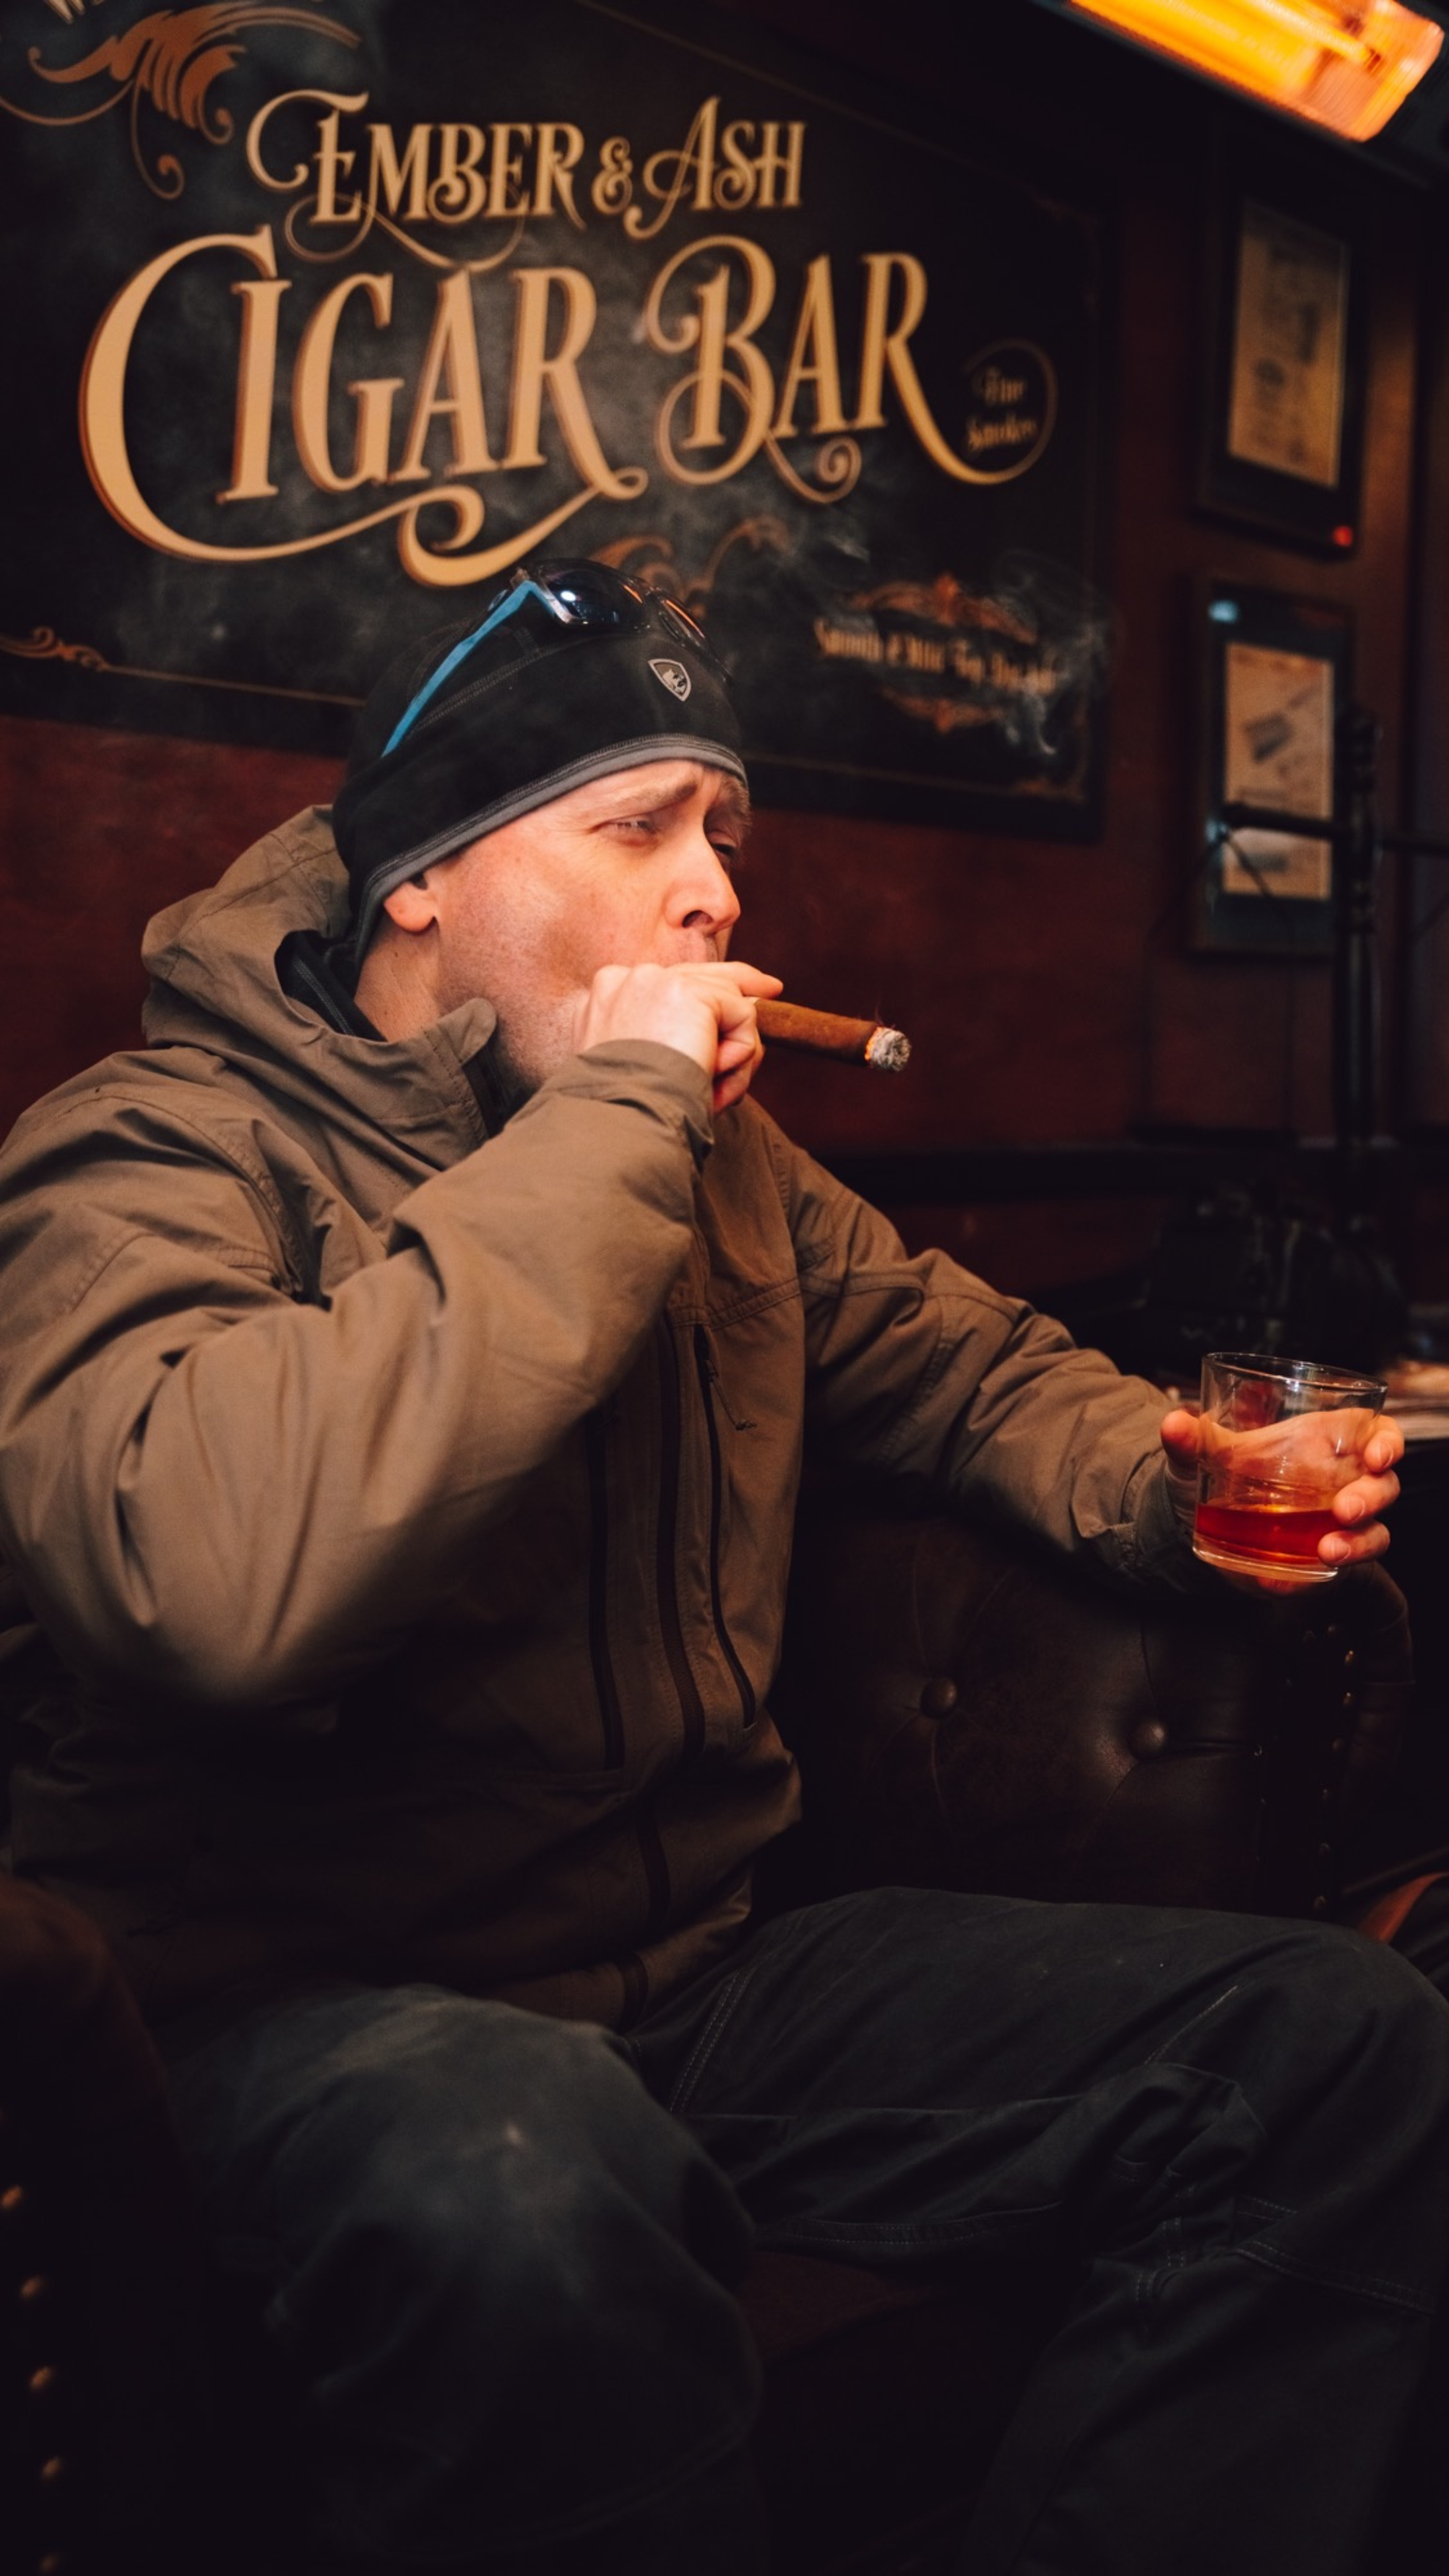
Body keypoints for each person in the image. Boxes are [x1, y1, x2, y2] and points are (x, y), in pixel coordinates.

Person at [0, 557, 1443, 2576]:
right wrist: (616, 1118)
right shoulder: (150, 1155)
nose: (714, 896)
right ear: (423, 880)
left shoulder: (719, 1162)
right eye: (637, 828)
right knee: (523, 2165)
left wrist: (1180, 1475)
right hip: (273, 2017)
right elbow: (213, 1586)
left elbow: (971, 1367)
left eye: (723, 837)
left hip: (691, 1983)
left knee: (1340, 2047)